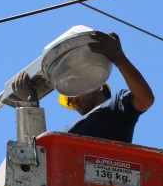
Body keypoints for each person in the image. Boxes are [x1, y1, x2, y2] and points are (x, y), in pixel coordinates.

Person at [12, 31, 154, 143]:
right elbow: (40, 160)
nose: (72, 100)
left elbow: (145, 99)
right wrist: (30, 106)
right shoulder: (65, 133)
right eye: (68, 100)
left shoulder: (116, 106)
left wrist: (119, 58)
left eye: (73, 93)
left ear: (98, 85)